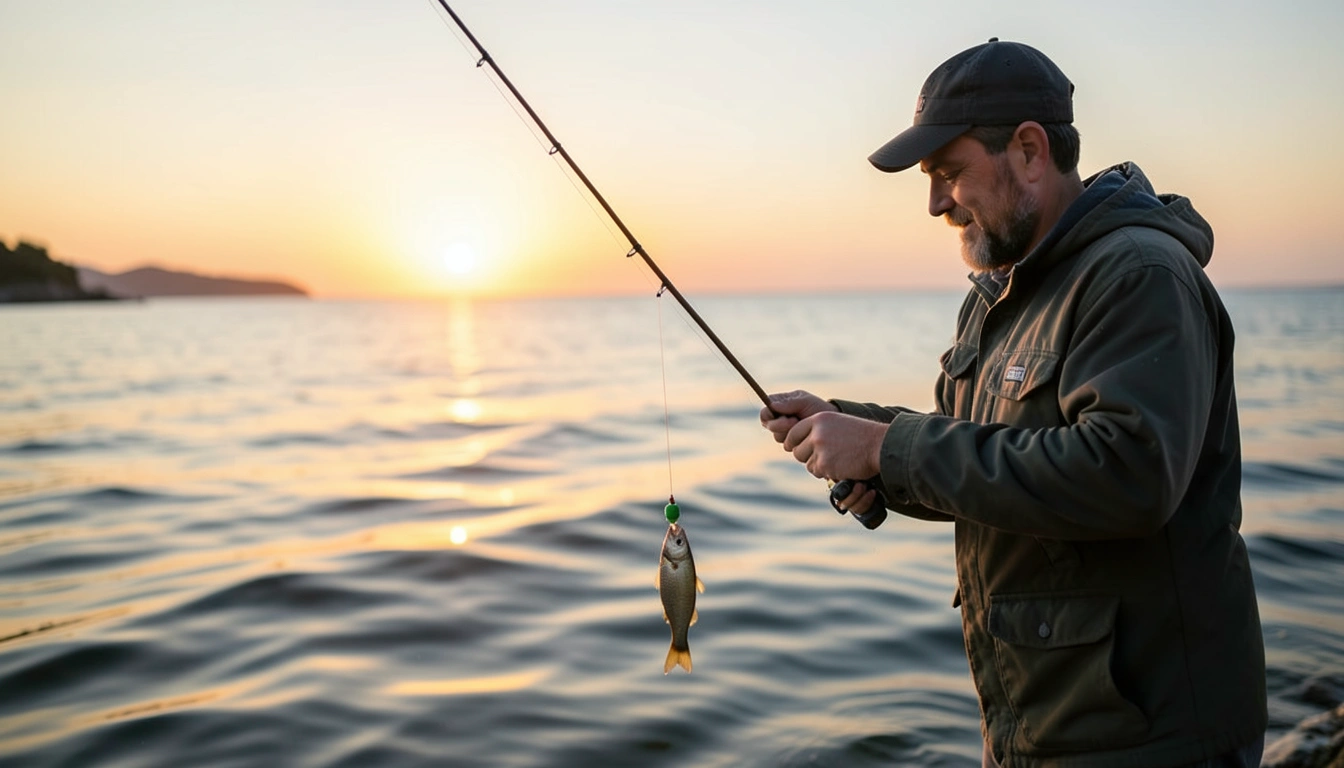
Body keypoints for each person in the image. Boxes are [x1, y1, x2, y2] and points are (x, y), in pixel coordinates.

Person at [760, 39, 1266, 768]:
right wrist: (863, 441)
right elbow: (984, 460)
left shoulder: (1139, 274)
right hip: (1035, 726)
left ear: (1030, 151)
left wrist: (883, 449)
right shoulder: (996, 296)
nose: (935, 203)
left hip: (1146, 739)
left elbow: (1127, 475)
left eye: (948, 174)